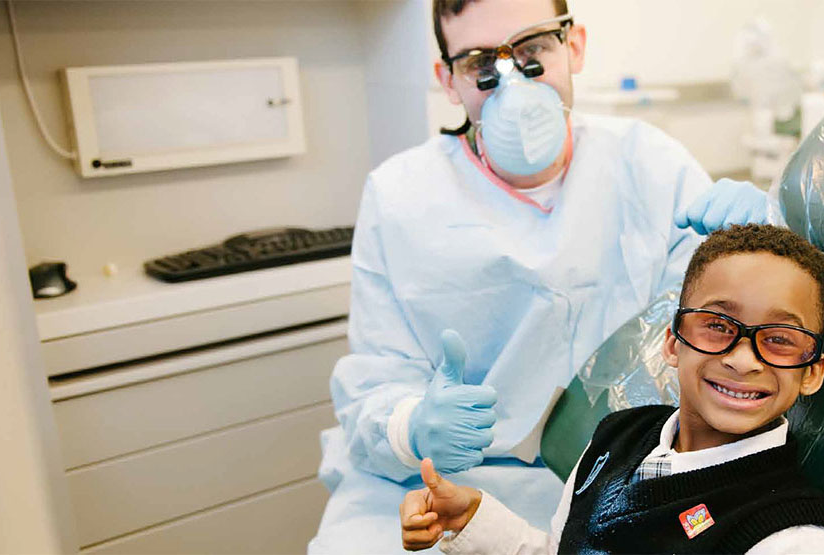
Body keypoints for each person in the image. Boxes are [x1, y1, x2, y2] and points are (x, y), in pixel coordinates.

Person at [308, 0, 769, 552]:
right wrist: (410, 425)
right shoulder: (400, 196)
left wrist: (764, 239)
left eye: (532, 51)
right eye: (481, 63)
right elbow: (377, 377)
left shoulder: (648, 164)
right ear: (448, 80)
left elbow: (724, 328)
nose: (512, 87)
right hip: (436, 482)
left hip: (622, 475)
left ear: (572, 46)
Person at [400, 225, 824, 554]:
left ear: (812, 372)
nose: (742, 358)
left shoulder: (788, 535)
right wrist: (474, 518)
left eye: (779, 339)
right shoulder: (616, 437)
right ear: (672, 342)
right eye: (717, 326)